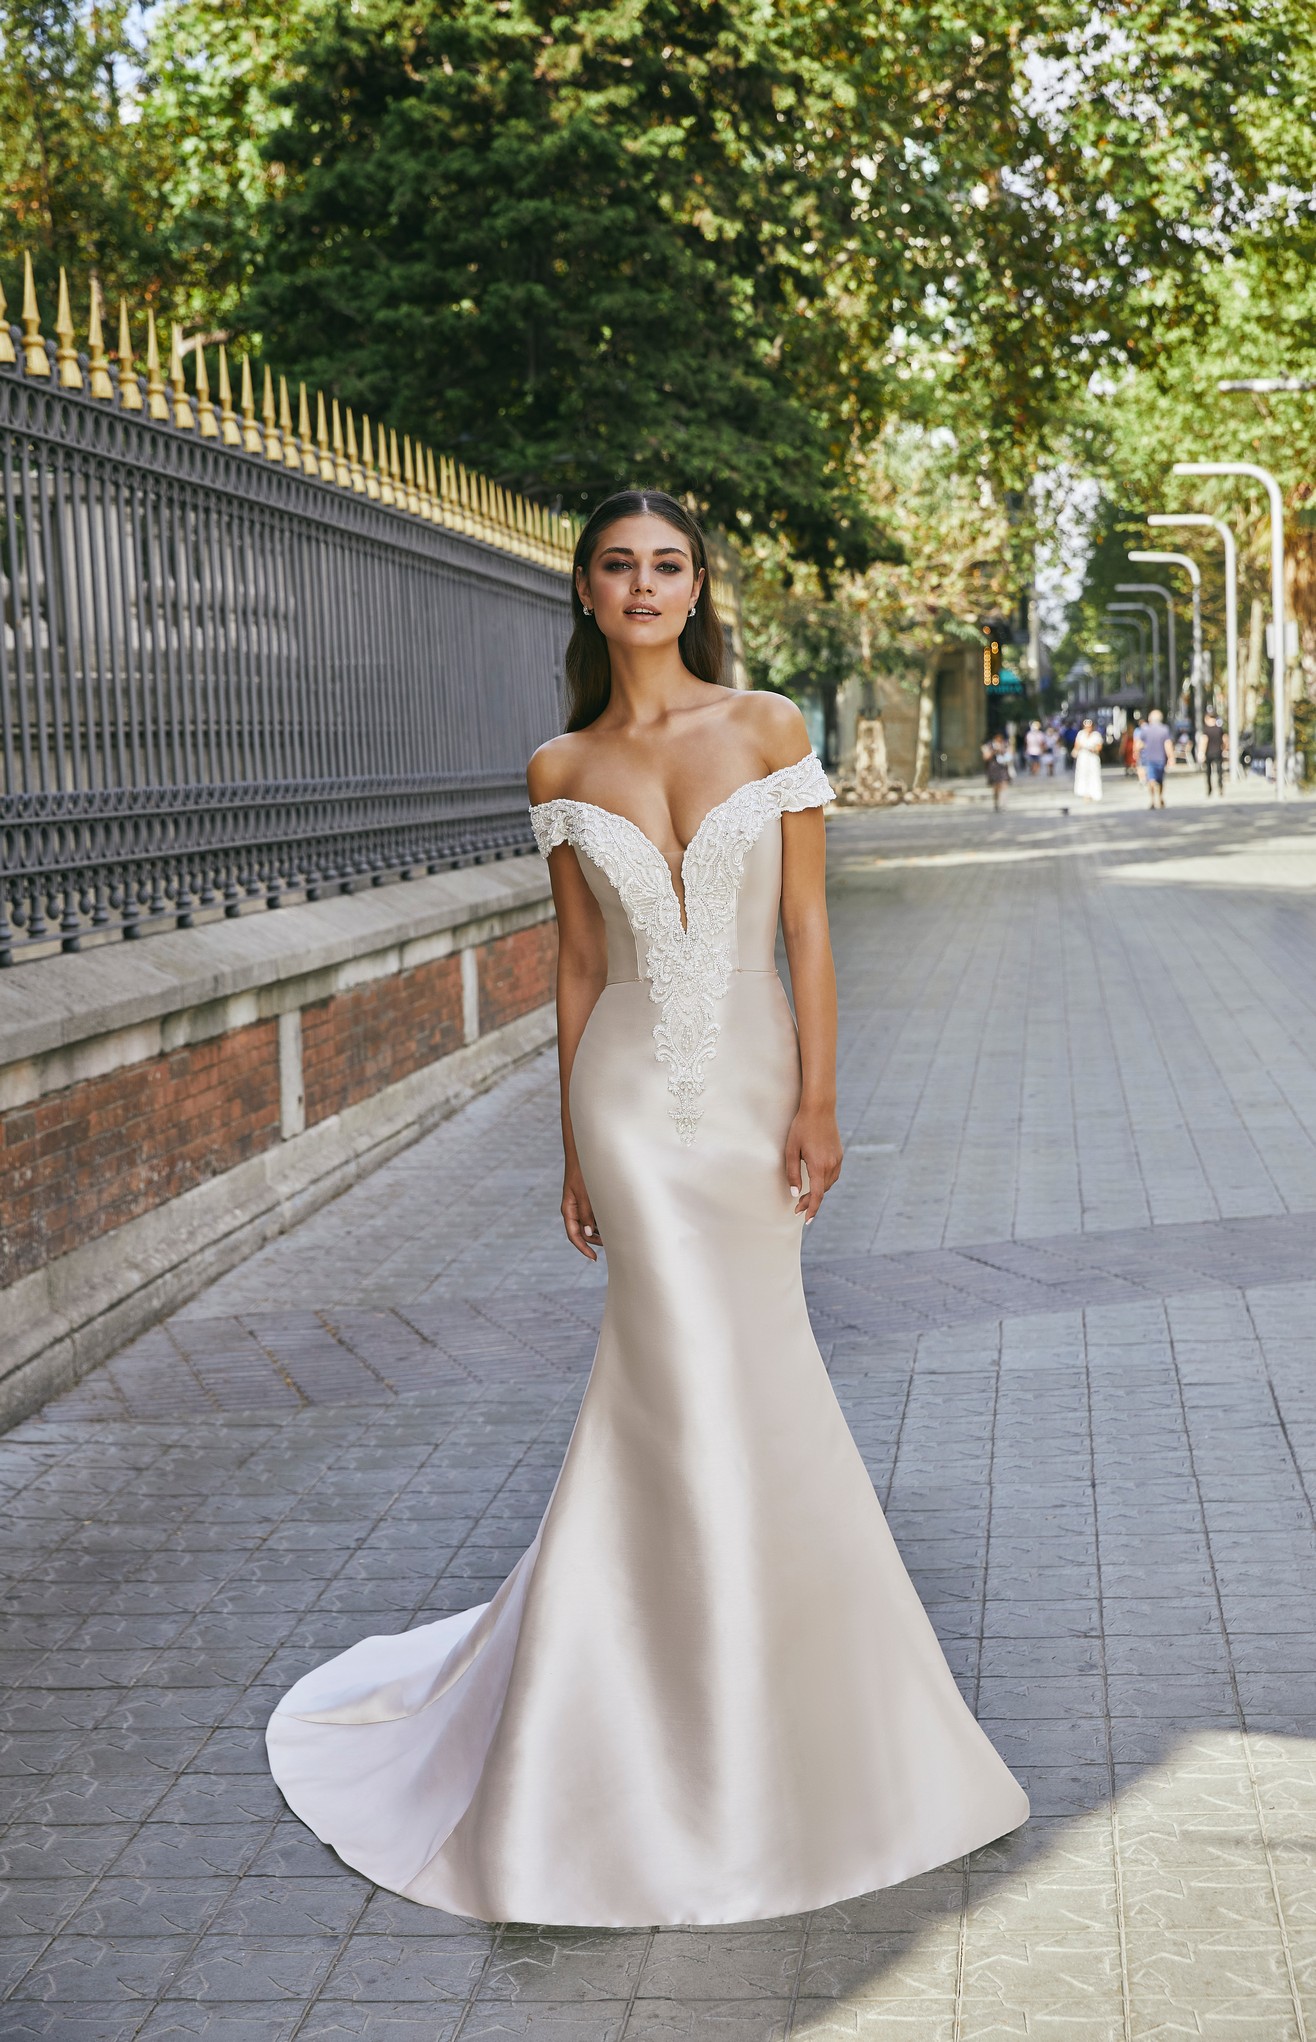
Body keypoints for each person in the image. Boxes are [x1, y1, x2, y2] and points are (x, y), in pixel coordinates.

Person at [266, 488, 1028, 1926]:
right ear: (586, 591)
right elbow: (571, 963)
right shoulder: (560, 761)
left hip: (749, 1090)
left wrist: (816, 1098)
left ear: (697, 588)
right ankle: (671, 1698)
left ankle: (750, 1681)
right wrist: (569, 1138)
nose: (645, 585)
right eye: (619, 565)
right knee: (678, 1364)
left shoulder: (770, 728)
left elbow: (808, 928)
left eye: (668, 565)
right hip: (628, 1099)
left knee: (754, 1366)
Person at [1135, 707, 1173, 808]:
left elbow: (1139, 743)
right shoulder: (1164, 729)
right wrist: (1170, 757)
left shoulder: (1145, 730)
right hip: (1161, 758)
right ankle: (1159, 797)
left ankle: (1152, 799)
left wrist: (1137, 753)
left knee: (1151, 780)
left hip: (1149, 758)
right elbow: (1167, 744)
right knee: (1160, 780)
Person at [1072, 716, 1104, 802]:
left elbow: (1099, 747)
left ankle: (1094, 793)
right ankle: (1085, 793)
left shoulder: (1096, 735)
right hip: (1083, 757)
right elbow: (1077, 745)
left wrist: (1092, 749)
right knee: (1082, 774)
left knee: (1094, 774)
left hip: (1093, 758)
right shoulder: (1081, 734)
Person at [983, 730, 1012, 810]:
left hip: (1003, 768)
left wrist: (1003, 750)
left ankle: (1003, 803)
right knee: (996, 787)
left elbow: (1010, 754)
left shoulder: (1005, 744)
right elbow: (985, 757)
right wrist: (994, 751)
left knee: (1004, 785)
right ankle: (996, 802)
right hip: (993, 768)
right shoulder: (989, 745)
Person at [1200, 710, 1227, 795]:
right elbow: (1225, 739)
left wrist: (1201, 753)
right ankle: (1220, 786)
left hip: (1208, 753)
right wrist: (1224, 748)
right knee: (1219, 771)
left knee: (1208, 772)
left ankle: (1209, 789)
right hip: (1218, 752)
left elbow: (1204, 741)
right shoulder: (1219, 729)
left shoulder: (1206, 730)